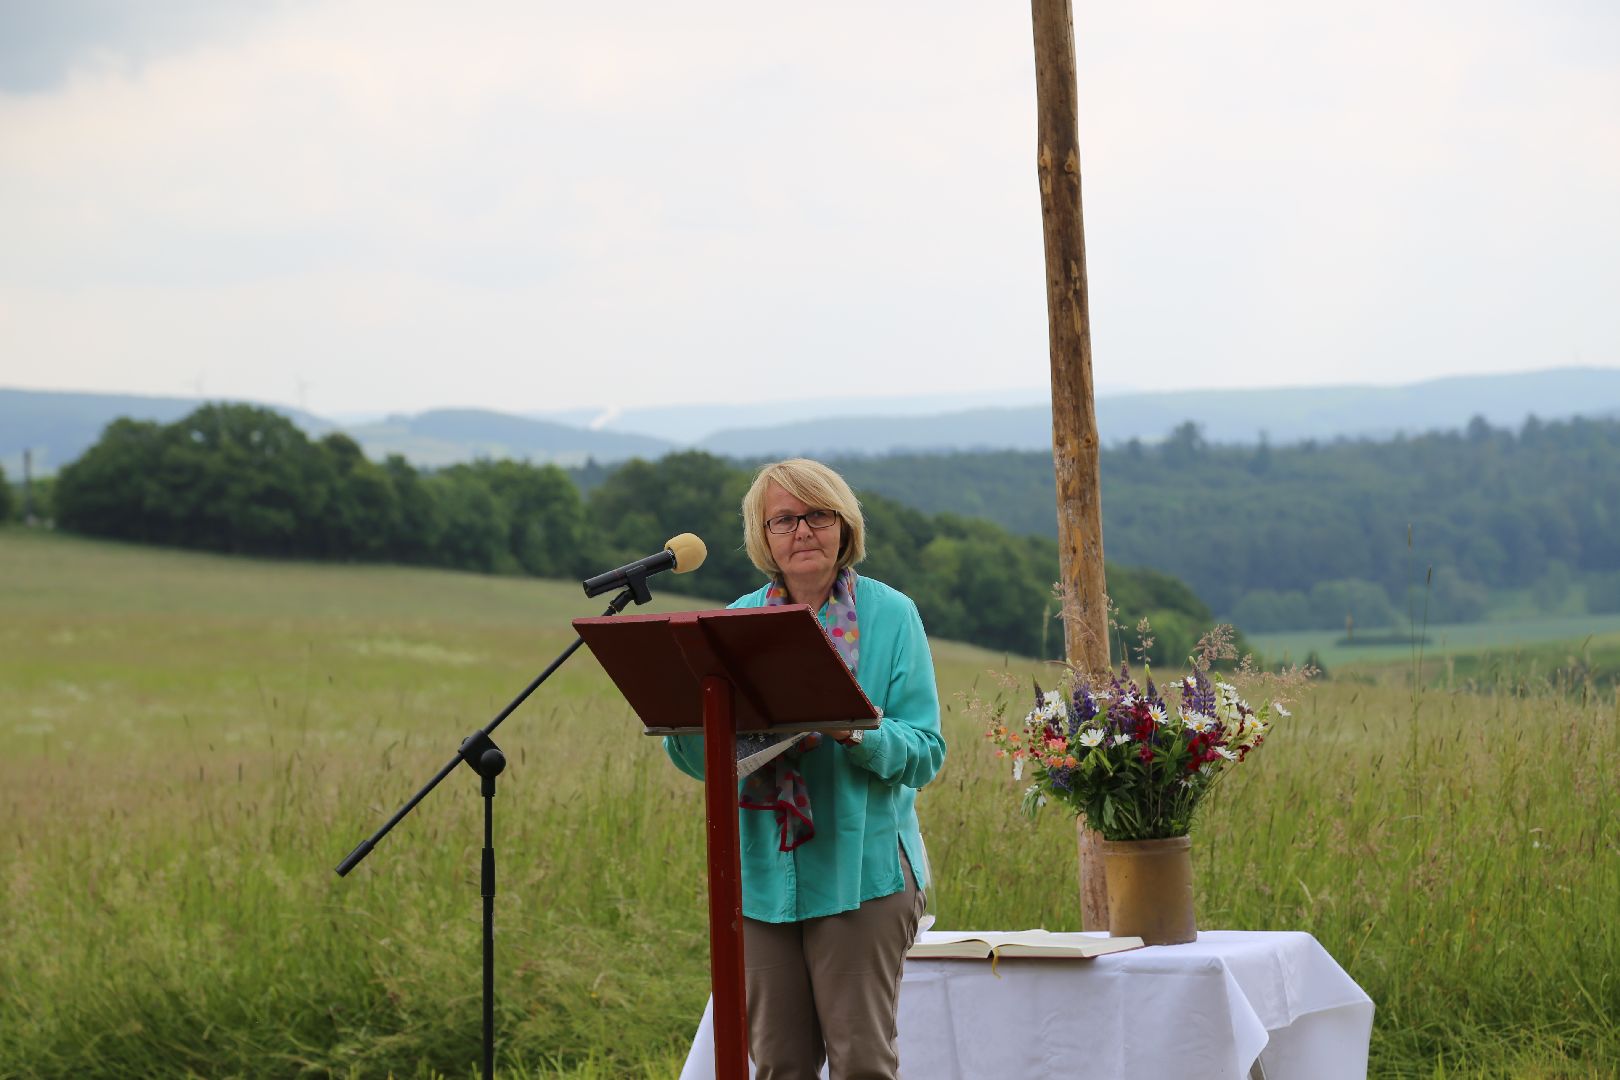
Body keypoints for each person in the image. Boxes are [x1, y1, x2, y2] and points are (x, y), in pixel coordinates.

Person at [664, 458, 946, 1080]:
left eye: (817, 515)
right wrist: (731, 733)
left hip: (862, 871)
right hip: (763, 875)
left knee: (861, 1064)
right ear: (763, 537)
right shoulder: (735, 621)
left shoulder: (892, 615)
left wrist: (853, 729)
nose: (802, 530)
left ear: (844, 526)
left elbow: (926, 750)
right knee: (780, 1066)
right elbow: (690, 753)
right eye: (783, 519)